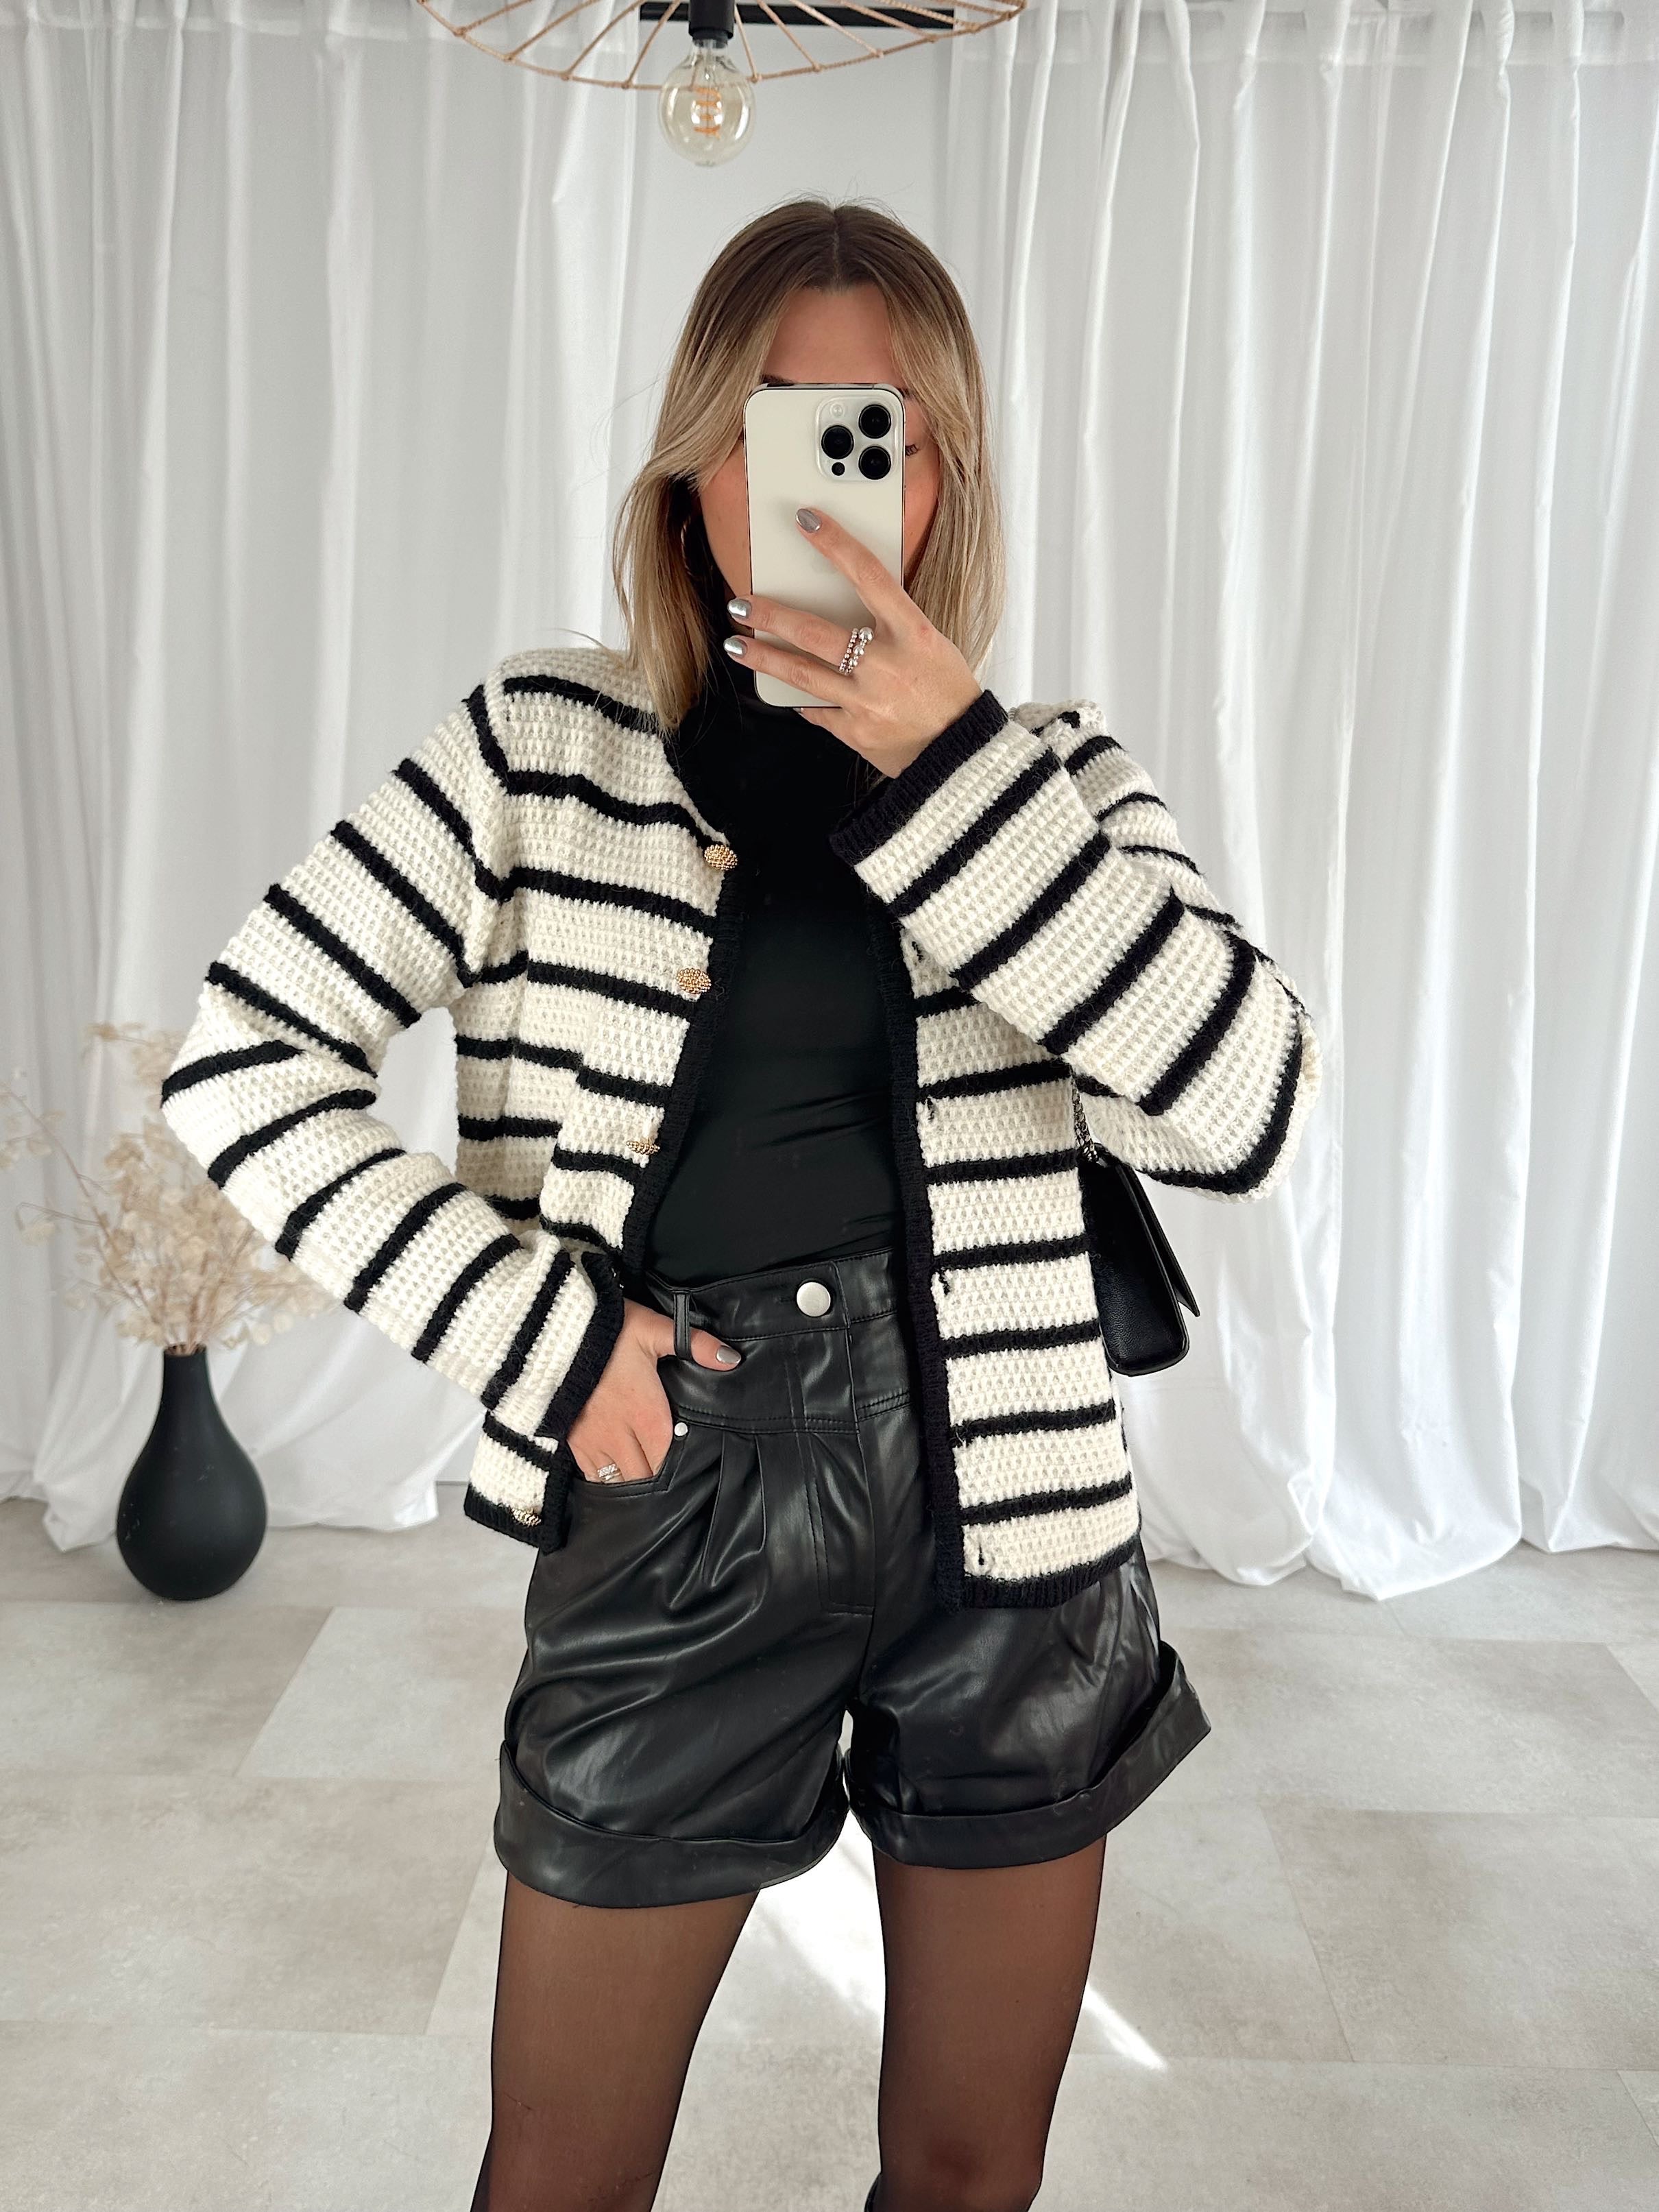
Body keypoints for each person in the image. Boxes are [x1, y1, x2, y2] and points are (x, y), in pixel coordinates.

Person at [160, 197, 1322, 2212]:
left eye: (880, 432)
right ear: (695, 465)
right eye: (774, 422)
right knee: (562, 2173)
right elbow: (241, 1057)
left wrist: (948, 766)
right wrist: (543, 1339)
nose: (822, 477)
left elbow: (1241, 1108)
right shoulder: (542, 747)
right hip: (680, 1490)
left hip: (1014, 1519)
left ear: (944, 476)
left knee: (969, 2174)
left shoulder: (1055, 781)